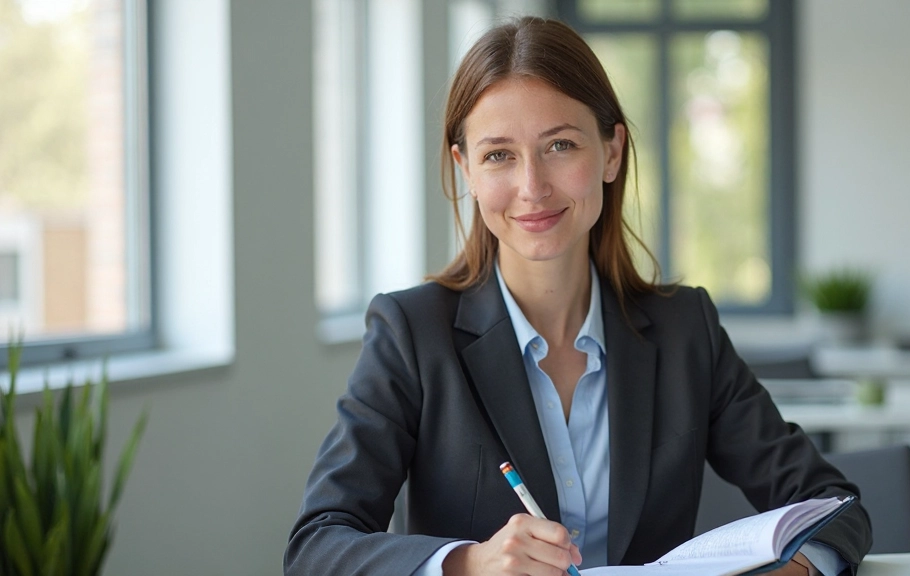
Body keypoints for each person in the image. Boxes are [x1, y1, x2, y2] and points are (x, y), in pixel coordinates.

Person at [284, 16, 871, 576]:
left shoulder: (684, 328)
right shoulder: (412, 333)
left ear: (611, 152)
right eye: (498, 155)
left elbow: (832, 503)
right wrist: (469, 564)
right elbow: (317, 547)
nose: (532, 186)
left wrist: (799, 568)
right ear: (466, 170)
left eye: (561, 145)